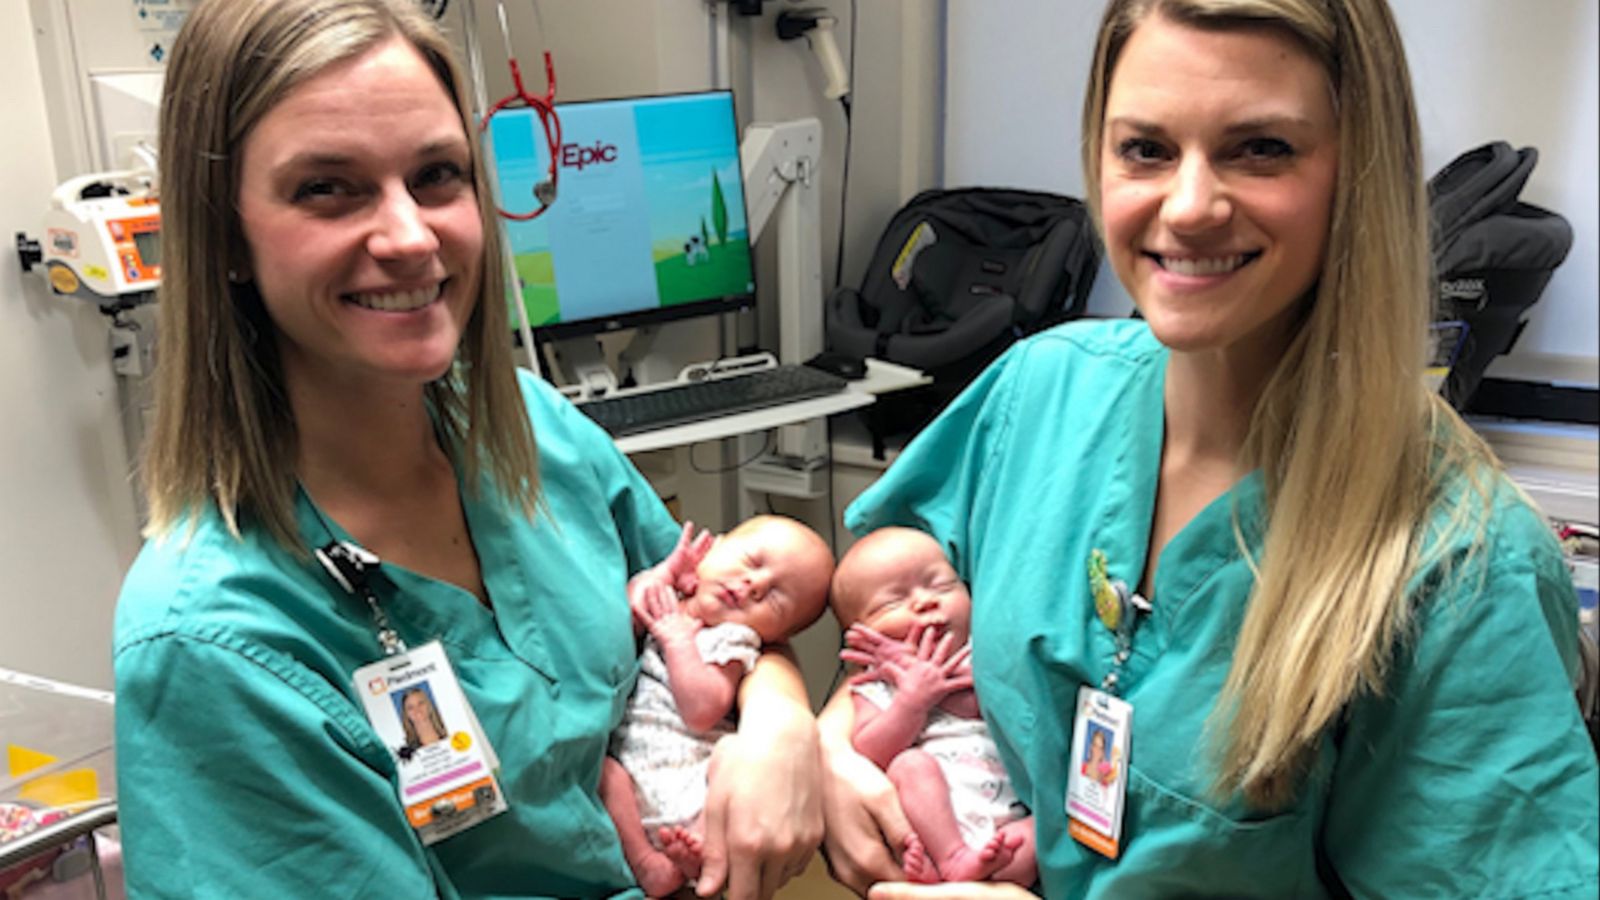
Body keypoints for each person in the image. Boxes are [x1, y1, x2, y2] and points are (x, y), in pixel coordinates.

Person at [817, 0, 1600, 897]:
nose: (1187, 208)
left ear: (1360, 173)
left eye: (1261, 148)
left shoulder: (1457, 561)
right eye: (1146, 149)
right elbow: (880, 611)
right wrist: (824, 742)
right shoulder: (1042, 391)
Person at [112, 1, 821, 897]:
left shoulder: (529, 428)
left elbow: (726, 613)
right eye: (328, 187)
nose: (410, 237)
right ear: (224, 234)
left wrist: (781, 720)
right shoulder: (217, 641)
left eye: (437, 175)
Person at [601, 515, 834, 897]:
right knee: (604, 775)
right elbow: (618, 625)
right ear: (714, 548)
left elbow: (702, 709)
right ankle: (647, 861)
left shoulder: (731, 640)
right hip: (630, 773)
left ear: (775, 635)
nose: (754, 585)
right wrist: (660, 577)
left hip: (695, 780)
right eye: (753, 562)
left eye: (776, 598)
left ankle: (703, 846)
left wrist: (678, 642)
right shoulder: (667, 601)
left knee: (732, 756)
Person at [830, 527, 1036, 887]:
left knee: (1049, 830)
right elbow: (869, 752)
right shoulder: (876, 683)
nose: (925, 601)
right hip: (937, 821)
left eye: (942, 586)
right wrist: (911, 701)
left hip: (1007, 823)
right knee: (909, 765)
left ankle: (968, 874)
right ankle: (950, 858)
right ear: (860, 635)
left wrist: (943, 681)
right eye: (892, 603)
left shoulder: (984, 650)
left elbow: (997, 703)